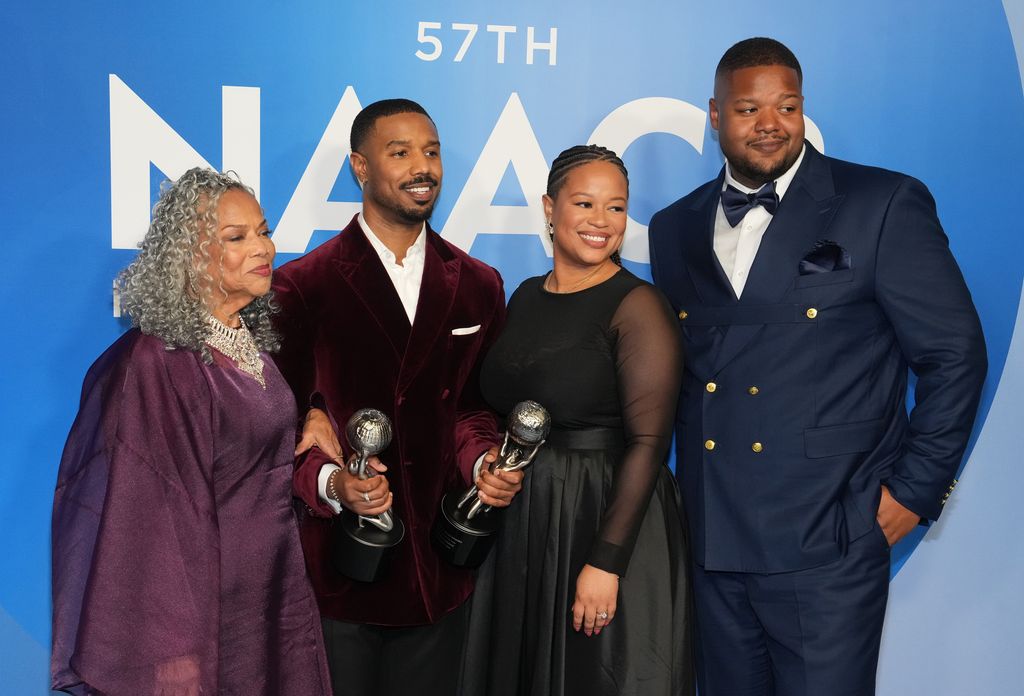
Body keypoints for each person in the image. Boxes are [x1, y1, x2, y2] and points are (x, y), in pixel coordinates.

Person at [648, 37, 988, 696]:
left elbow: (953, 353)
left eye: (787, 106)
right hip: (713, 544)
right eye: (748, 108)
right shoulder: (673, 227)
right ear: (715, 116)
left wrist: (914, 494)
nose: (769, 123)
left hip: (827, 542)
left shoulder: (880, 204)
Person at [272, 98, 521, 696]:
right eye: (400, 151)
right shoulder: (303, 286)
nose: (423, 166)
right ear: (360, 167)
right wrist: (334, 484)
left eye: (431, 151)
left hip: (441, 566)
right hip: (341, 567)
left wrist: (482, 464)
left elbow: (472, 409)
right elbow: (280, 428)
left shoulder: (480, 285)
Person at [51, 168, 332, 696]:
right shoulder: (159, 361)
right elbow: (151, 513)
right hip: (202, 615)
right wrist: (172, 650)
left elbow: (247, 451)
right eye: (236, 237)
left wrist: (313, 428)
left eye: (263, 230)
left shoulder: (248, 344)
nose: (263, 246)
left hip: (271, 595)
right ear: (190, 258)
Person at [462, 145, 694, 696]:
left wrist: (606, 563)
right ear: (549, 207)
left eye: (616, 208)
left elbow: (649, 443)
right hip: (527, 519)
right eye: (585, 203)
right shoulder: (523, 296)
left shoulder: (639, 306)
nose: (601, 222)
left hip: (605, 516)